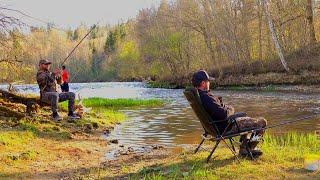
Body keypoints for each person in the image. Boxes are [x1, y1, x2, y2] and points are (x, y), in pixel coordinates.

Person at [192, 70, 267, 157]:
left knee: (245, 118)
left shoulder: (200, 96)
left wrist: (223, 105)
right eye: (208, 81)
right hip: (226, 127)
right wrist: (231, 109)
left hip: (217, 126)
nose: (209, 83)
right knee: (262, 122)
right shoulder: (206, 98)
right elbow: (224, 114)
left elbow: (218, 110)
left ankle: (244, 148)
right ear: (203, 83)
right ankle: (247, 149)